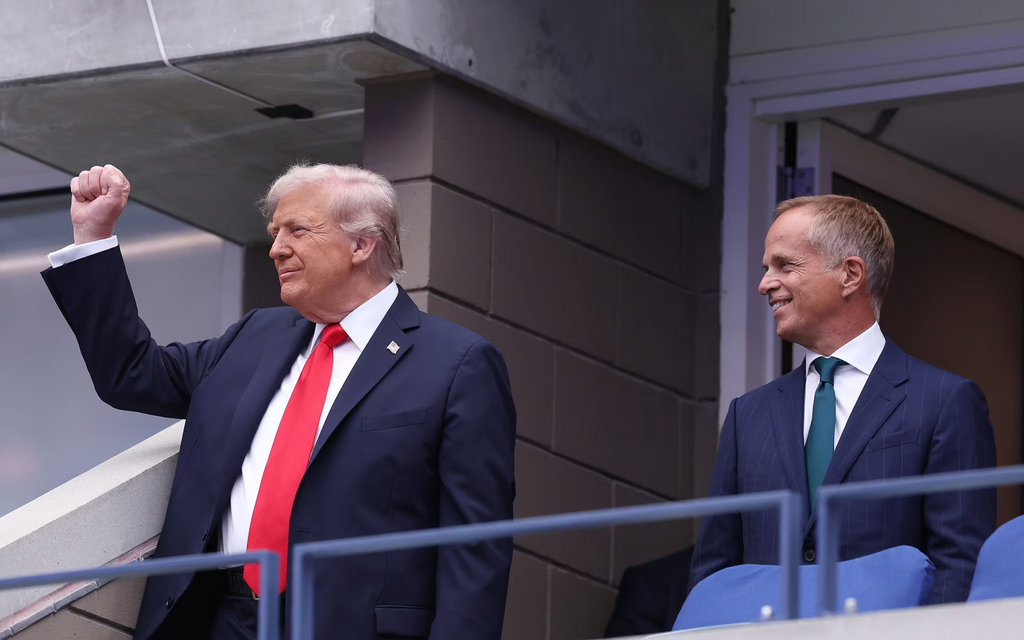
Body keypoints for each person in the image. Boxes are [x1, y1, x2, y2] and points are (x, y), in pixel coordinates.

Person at [41, 164, 517, 640]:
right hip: (219, 620)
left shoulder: (457, 364)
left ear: (361, 244)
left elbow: (475, 547)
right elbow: (132, 375)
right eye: (274, 232)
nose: (276, 248)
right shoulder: (253, 337)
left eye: (297, 230)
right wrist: (92, 237)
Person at [689, 195, 996, 604]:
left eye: (784, 265)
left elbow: (959, 567)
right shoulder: (749, 415)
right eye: (766, 269)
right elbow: (714, 574)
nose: (764, 284)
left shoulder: (945, 401)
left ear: (850, 274)